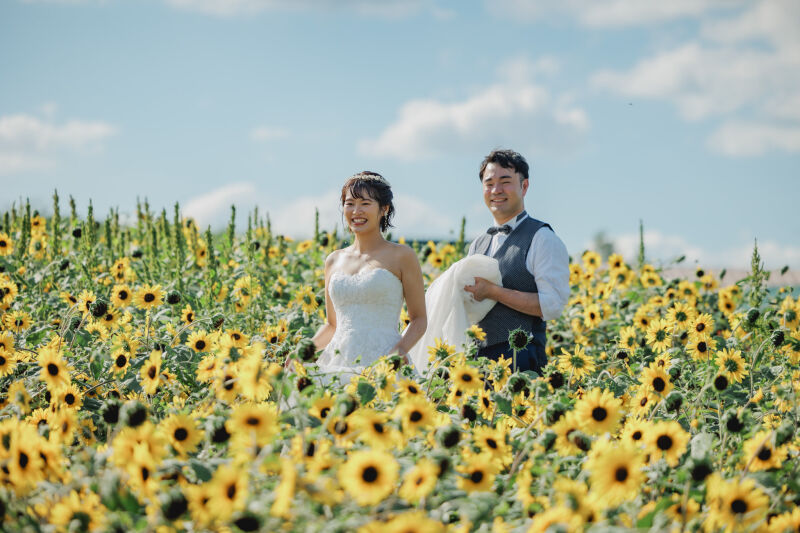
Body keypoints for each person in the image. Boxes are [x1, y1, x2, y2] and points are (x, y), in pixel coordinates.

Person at [293, 171, 427, 382]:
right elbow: (332, 325)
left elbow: (419, 319)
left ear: (384, 209)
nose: (356, 211)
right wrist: (304, 351)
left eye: (365, 203)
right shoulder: (333, 260)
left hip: (385, 362)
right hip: (337, 361)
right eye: (349, 203)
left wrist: (399, 351)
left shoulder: (402, 256)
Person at [463, 149, 569, 374]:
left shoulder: (543, 238)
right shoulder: (477, 245)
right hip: (477, 361)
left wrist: (493, 292)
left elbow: (552, 305)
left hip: (522, 359)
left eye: (505, 181)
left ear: (525, 186)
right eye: (489, 183)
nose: (496, 190)